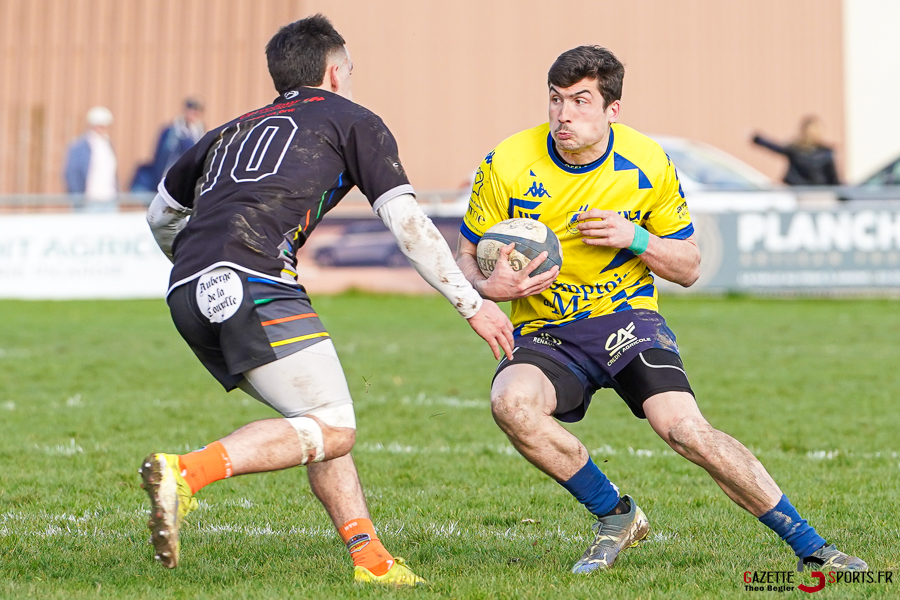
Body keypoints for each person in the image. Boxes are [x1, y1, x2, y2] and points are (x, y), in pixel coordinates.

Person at [456, 46, 866, 575]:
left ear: (612, 110)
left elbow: (689, 266)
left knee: (684, 430)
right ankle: (616, 516)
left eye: (581, 101)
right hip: (546, 329)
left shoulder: (646, 162)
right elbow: (465, 255)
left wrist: (636, 238)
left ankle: (813, 545)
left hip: (625, 317)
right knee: (510, 404)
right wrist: (490, 283)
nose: (564, 114)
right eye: (556, 100)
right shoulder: (506, 162)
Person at [141, 14, 513, 587]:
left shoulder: (229, 129)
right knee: (334, 428)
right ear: (335, 73)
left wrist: (197, 269)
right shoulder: (352, 119)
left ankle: (372, 560)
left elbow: (161, 214)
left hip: (187, 287)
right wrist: (473, 303)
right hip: (254, 277)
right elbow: (407, 223)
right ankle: (185, 472)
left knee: (316, 416)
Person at [752, 116, 840, 185]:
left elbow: (775, 147)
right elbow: (834, 178)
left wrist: (758, 139)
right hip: (819, 192)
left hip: (797, 192)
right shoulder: (826, 152)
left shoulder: (795, 149)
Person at [63, 106, 118, 210]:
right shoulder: (79, 147)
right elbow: (72, 173)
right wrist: (78, 198)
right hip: (88, 201)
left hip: (109, 199)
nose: (101, 128)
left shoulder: (108, 144)